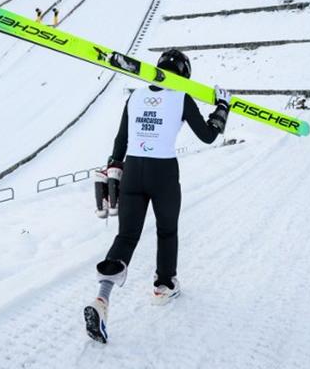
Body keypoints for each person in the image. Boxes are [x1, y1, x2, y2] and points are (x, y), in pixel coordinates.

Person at [83, 49, 230, 343]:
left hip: (133, 169)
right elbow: (209, 135)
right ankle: (164, 285)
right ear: (185, 74)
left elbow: (121, 139)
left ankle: (101, 299)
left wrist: (114, 165)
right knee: (166, 230)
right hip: (163, 172)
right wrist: (222, 106)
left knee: (126, 237)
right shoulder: (181, 97)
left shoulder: (135, 97)